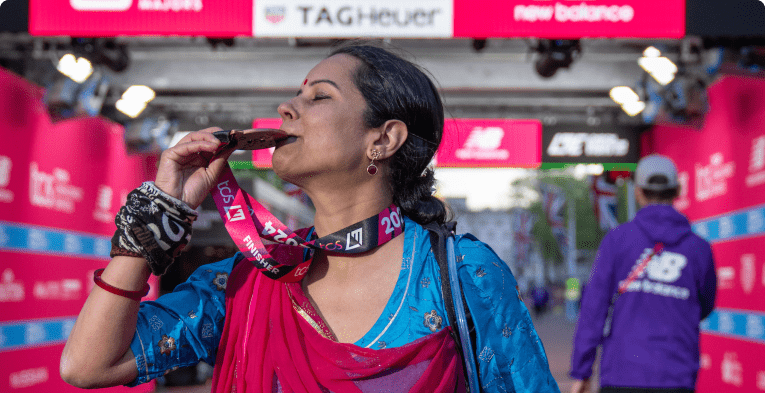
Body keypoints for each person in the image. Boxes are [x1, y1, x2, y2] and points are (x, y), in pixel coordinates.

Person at [60, 43, 560, 392]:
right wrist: (154, 219)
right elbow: (88, 365)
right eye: (297, 94)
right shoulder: (248, 278)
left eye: (319, 96)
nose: (286, 107)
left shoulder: (458, 272)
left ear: (382, 140)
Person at [569, 154, 717, 393]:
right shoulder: (699, 248)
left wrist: (581, 371)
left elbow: (593, 310)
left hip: (622, 374)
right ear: (677, 190)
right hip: (677, 376)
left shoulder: (617, 241)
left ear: (638, 192)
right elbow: (705, 305)